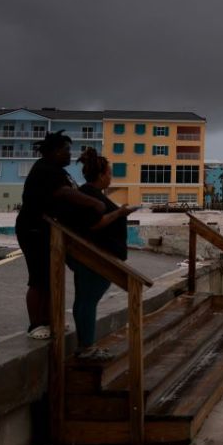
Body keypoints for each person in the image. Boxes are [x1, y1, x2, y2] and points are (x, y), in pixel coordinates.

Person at [15, 131, 105, 340]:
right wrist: (94, 203)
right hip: (34, 230)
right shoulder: (45, 169)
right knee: (39, 278)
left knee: (50, 277)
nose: (69, 154)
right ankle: (36, 324)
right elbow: (65, 193)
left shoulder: (57, 170)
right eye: (66, 150)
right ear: (55, 151)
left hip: (50, 232)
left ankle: (50, 319)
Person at [69, 148, 139, 359]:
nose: (110, 177)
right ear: (100, 176)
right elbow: (94, 224)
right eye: (109, 173)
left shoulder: (88, 194)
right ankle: (87, 348)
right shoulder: (89, 196)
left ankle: (85, 345)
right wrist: (120, 212)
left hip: (90, 255)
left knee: (83, 299)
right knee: (88, 300)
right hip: (94, 257)